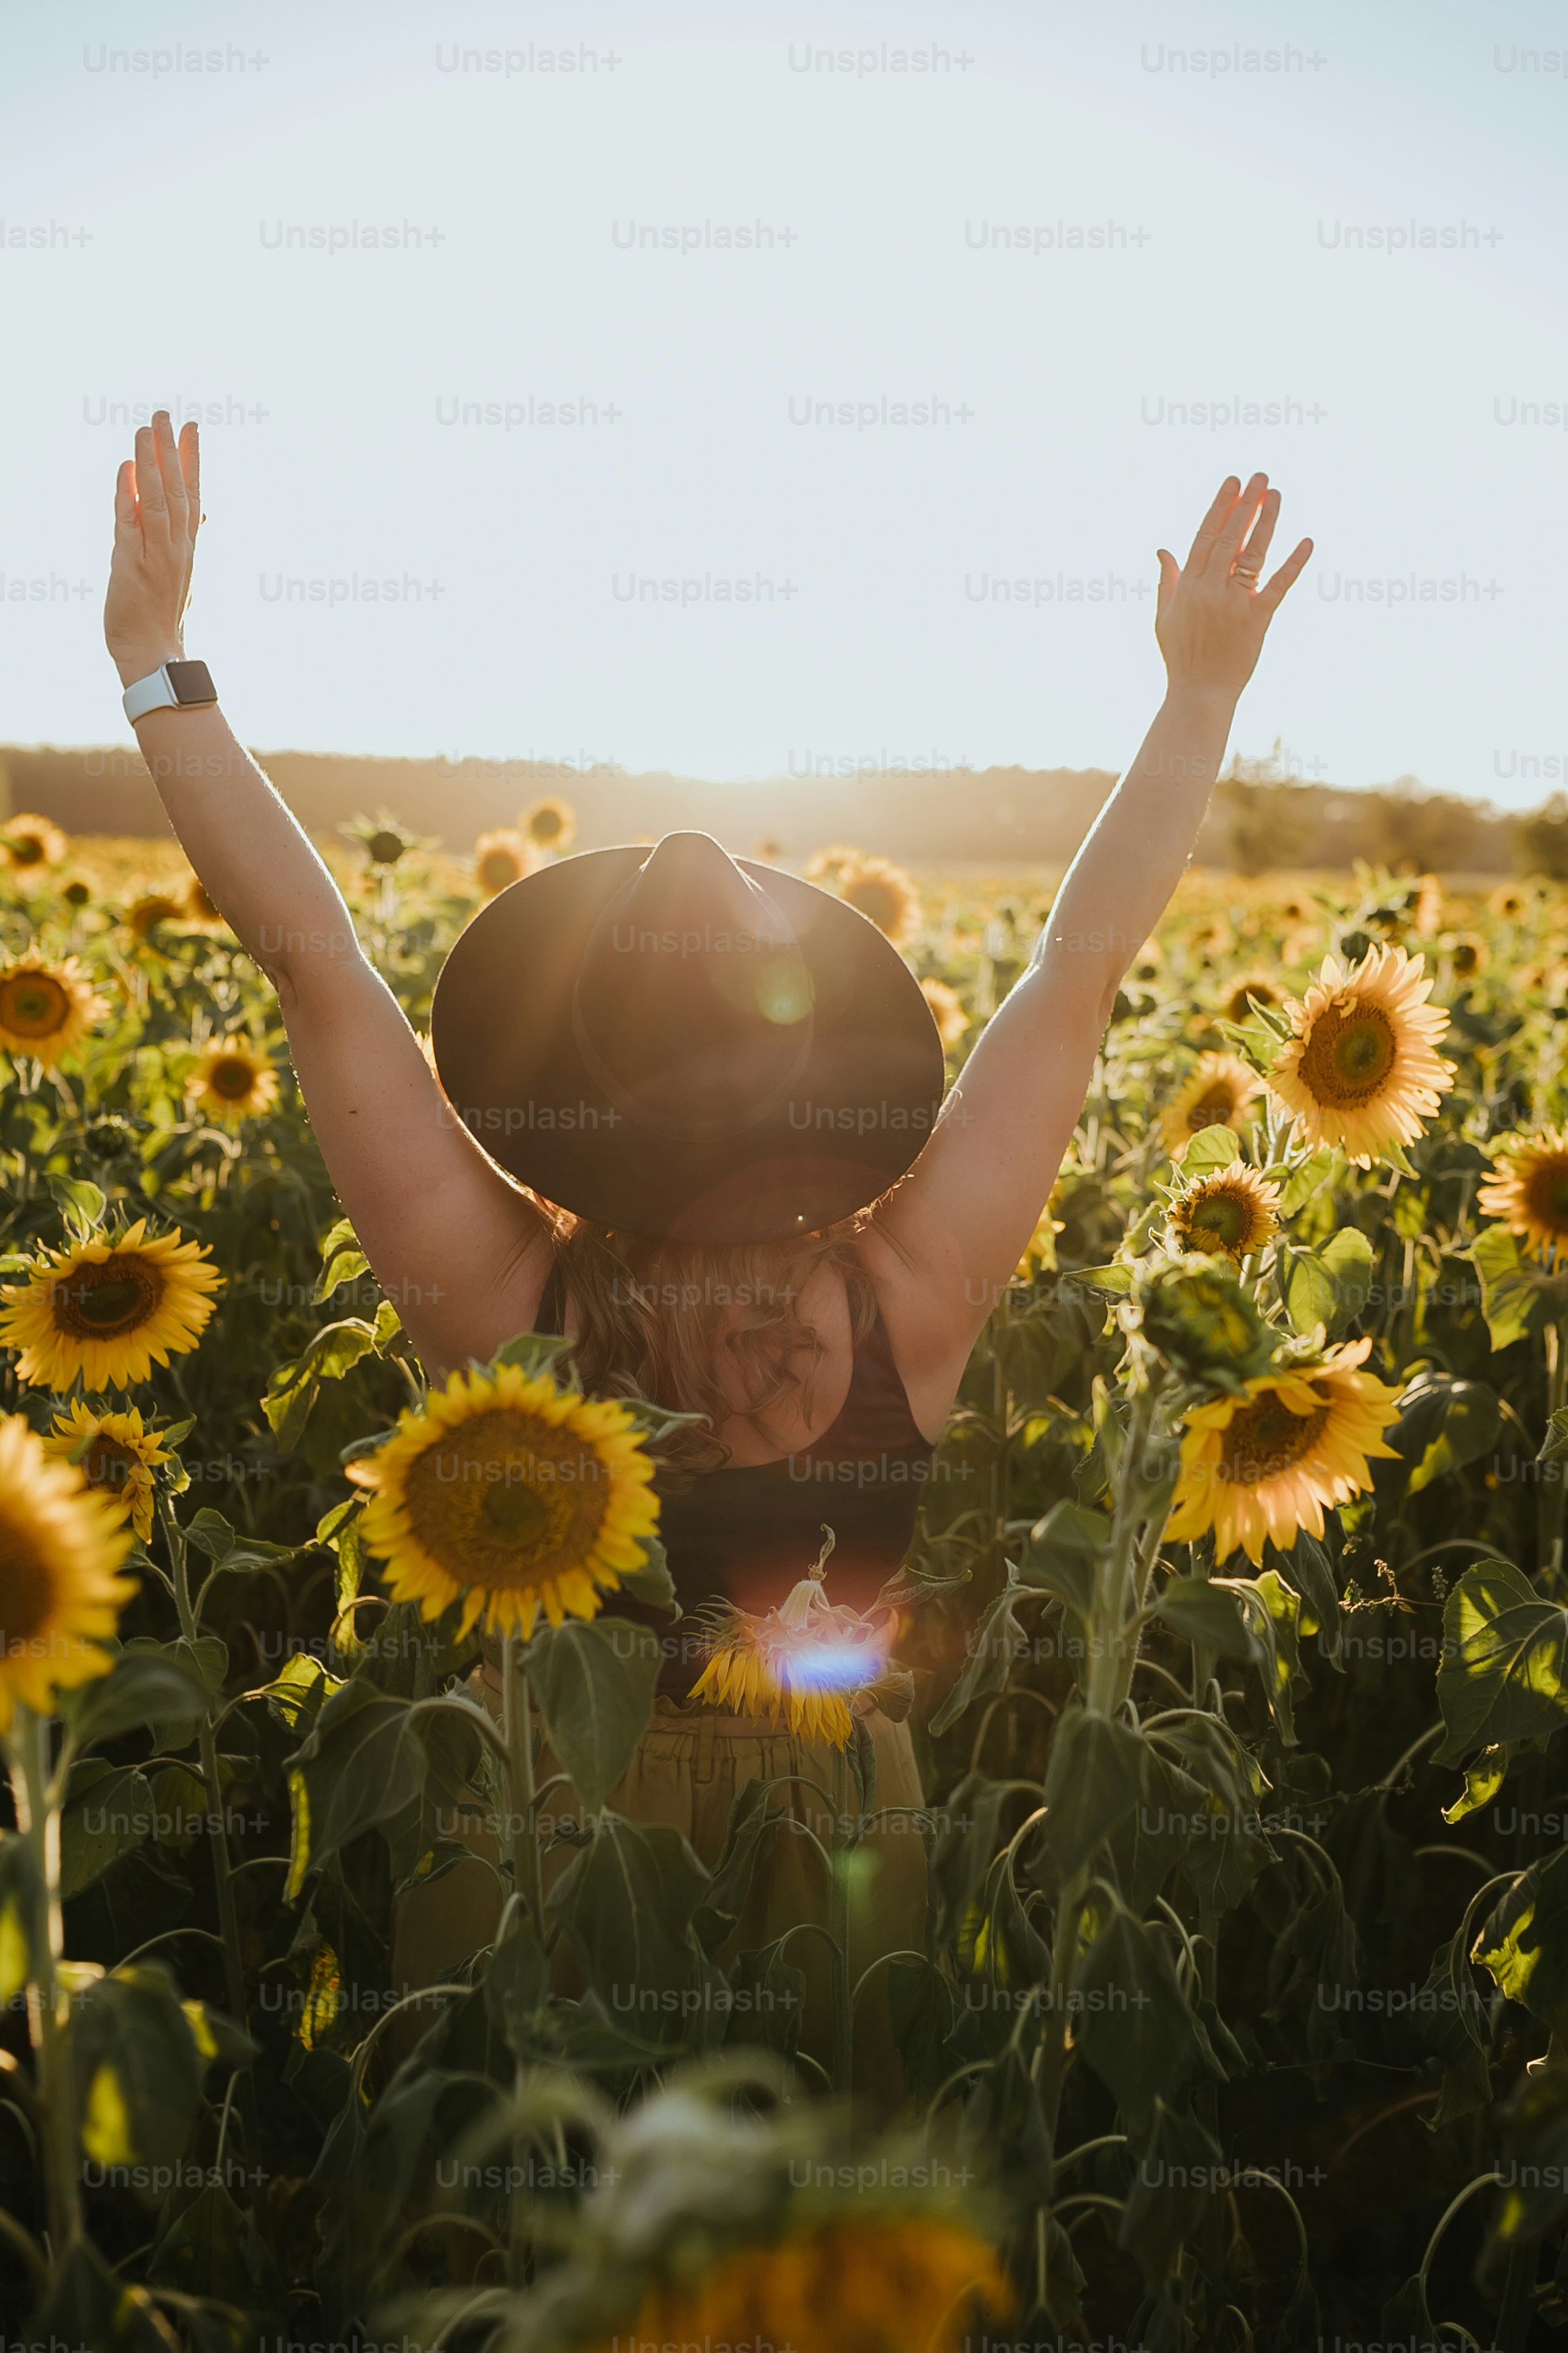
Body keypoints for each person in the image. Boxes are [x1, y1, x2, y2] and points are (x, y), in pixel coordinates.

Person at [102, 415, 1311, 2094]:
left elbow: (317, 974)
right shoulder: (906, 1301)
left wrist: (159, 667)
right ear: (818, 1083)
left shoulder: (508, 1303)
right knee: (812, 2255)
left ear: (564, 1097)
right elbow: (1072, 979)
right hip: (831, 1838)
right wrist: (1194, 702)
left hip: (533, 1817)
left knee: (544, 2246)